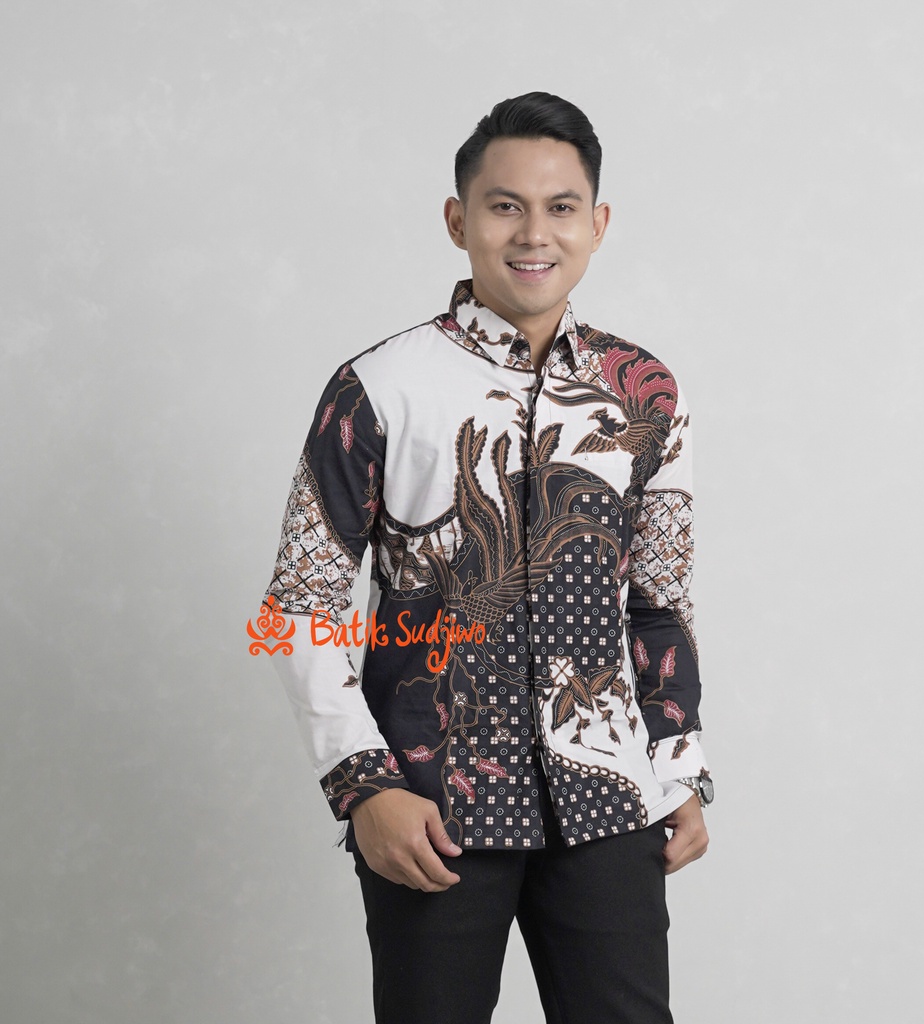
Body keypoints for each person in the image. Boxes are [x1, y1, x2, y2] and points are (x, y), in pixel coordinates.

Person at [262, 91, 713, 1024]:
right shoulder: (377, 388)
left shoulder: (645, 394)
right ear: (458, 220)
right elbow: (299, 607)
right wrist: (364, 786)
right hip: (430, 807)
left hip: (610, 801)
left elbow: (659, 603)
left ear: (598, 224)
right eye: (505, 206)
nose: (533, 233)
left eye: (560, 207)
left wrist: (678, 766)